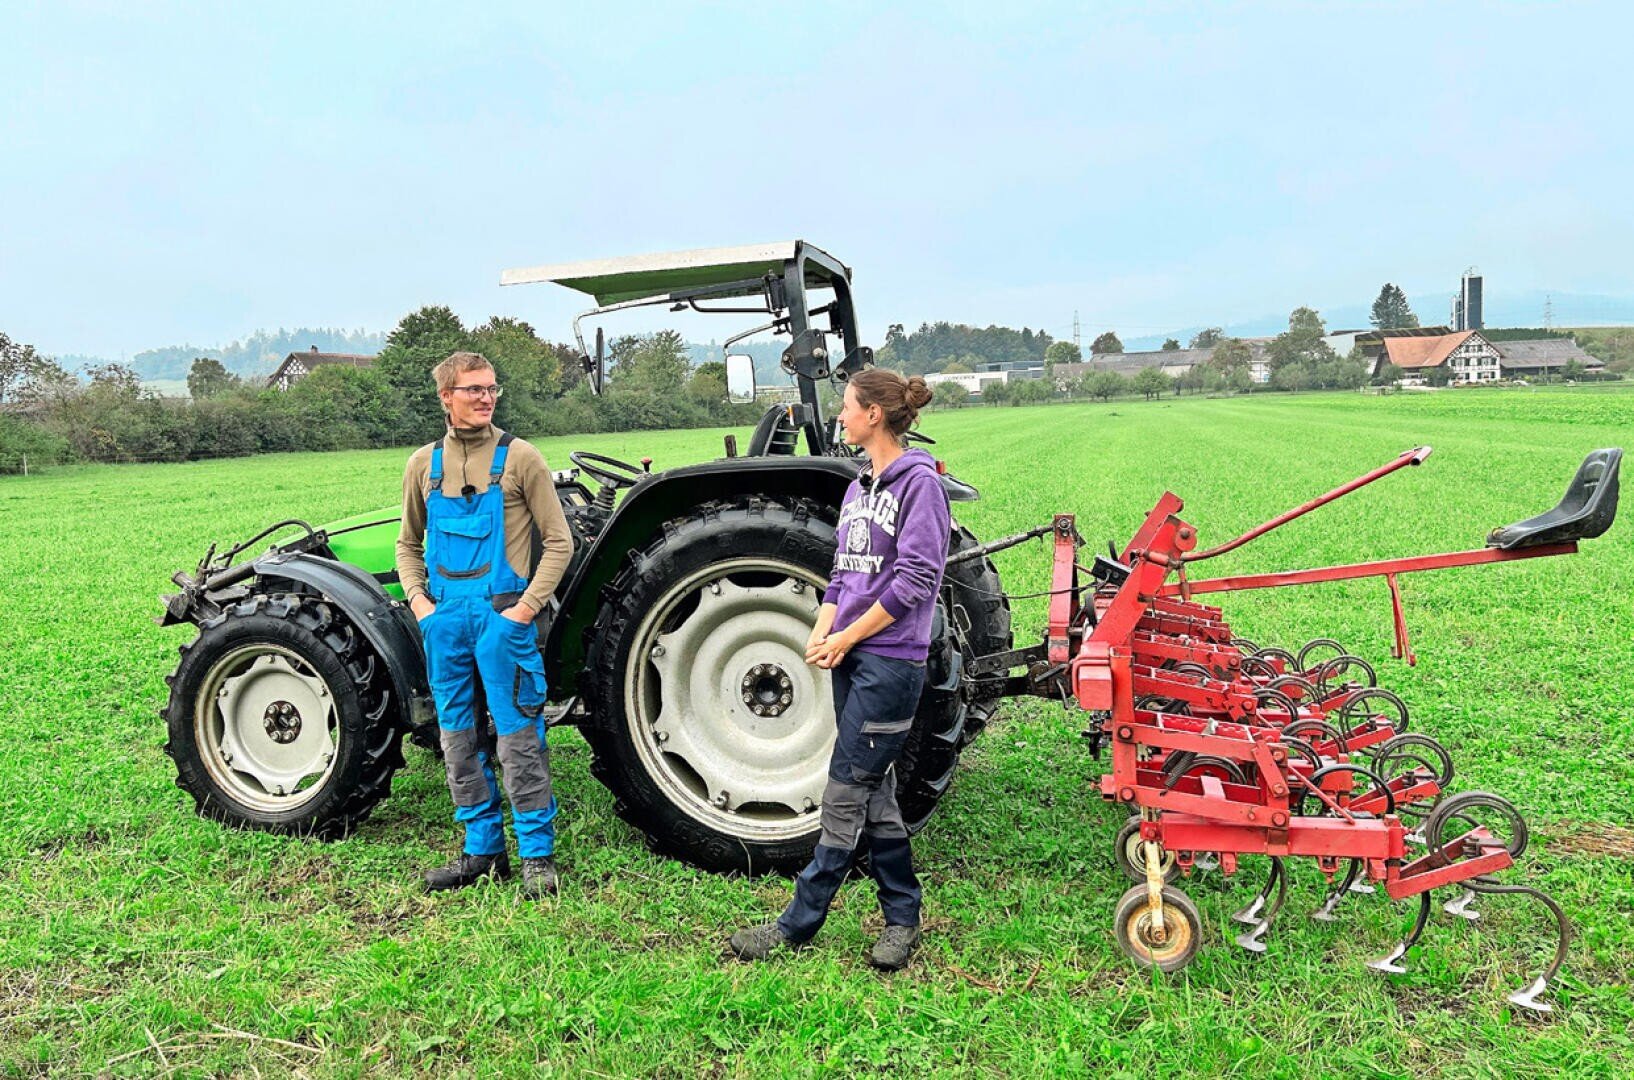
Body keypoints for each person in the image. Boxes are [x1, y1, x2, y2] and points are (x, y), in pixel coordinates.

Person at [729, 368, 948, 970]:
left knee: (846, 793)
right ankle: (903, 917)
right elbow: (844, 574)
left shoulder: (919, 486)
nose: (842, 416)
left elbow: (917, 580)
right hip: (849, 657)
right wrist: (824, 627)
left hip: (890, 661)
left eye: (848, 407)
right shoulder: (859, 488)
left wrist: (849, 634)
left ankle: (798, 923)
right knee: (876, 792)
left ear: (874, 414)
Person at [397, 351, 575, 898]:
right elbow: (407, 545)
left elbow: (560, 542)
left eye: (491, 388)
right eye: (473, 389)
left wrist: (523, 611)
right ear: (446, 397)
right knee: (457, 739)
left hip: (503, 618)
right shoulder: (422, 466)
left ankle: (537, 858)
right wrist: (421, 606)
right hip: (446, 621)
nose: (486, 397)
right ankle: (482, 852)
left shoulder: (521, 459)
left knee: (519, 740)